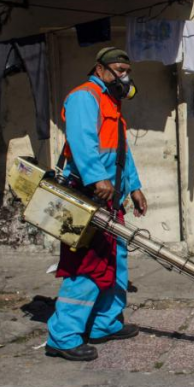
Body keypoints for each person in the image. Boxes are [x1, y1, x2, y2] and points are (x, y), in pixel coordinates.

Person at [45, 47, 148, 361]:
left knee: (116, 263)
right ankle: (62, 337)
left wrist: (135, 187)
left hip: (110, 198)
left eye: (126, 70)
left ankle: (105, 323)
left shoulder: (112, 104)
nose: (123, 75)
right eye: (118, 69)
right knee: (87, 267)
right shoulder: (83, 97)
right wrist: (95, 177)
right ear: (100, 68)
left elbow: (121, 153)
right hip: (87, 195)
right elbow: (81, 141)